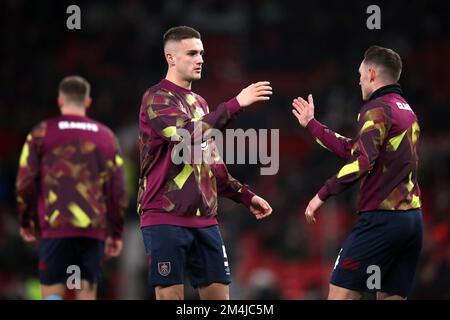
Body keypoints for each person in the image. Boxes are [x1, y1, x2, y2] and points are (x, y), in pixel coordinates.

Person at [138, 26, 273, 300]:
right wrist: (236, 103)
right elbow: (185, 135)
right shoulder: (157, 98)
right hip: (165, 216)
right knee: (171, 297)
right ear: (170, 57)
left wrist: (245, 196)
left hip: (205, 221)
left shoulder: (200, 103)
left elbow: (211, 164)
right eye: (191, 53)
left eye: (201, 53)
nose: (200, 59)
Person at [292, 45, 423, 300]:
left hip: (381, 220)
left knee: (340, 295)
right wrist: (312, 124)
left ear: (372, 74)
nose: (359, 79)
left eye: (361, 74)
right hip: (411, 222)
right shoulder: (406, 110)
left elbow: (363, 161)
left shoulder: (377, 108)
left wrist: (322, 193)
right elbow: (356, 149)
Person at [16, 75, 128, 300]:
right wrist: (115, 232)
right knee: (85, 291)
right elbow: (118, 190)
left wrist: (25, 219)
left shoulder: (41, 132)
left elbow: (25, 182)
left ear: (60, 100)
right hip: (91, 229)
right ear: (88, 102)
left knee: (53, 289)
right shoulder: (106, 137)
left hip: (56, 224)